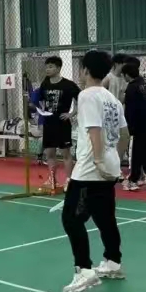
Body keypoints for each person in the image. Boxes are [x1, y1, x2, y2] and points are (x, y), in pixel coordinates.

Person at [60, 50, 128, 292]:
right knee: (104, 217)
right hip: (109, 167)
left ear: (86, 70)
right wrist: (113, 159)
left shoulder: (87, 95)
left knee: (71, 219)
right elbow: (125, 135)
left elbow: (94, 130)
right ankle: (113, 263)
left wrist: (98, 160)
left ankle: (84, 270)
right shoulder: (112, 99)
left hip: (90, 170)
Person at [37, 56, 81, 192]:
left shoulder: (68, 85)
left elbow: (81, 99)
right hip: (49, 123)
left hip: (62, 123)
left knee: (66, 154)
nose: (47, 69)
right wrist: (41, 117)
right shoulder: (45, 84)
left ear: (58, 68)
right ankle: (52, 179)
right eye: (46, 67)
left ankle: (69, 180)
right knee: (50, 153)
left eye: (51, 67)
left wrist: (72, 113)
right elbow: (40, 101)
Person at [121, 58, 146, 191]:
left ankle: (133, 180)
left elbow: (130, 110)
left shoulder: (131, 87)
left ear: (127, 75)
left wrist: (130, 127)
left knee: (136, 153)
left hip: (137, 127)